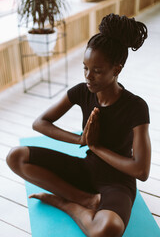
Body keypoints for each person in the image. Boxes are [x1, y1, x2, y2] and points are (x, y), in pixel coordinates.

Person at [6, 13, 151, 237]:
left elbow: (141, 170)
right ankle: (84, 199)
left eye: (97, 71)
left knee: (108, 229)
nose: (88, 76)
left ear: (117, 70)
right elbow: (40, 123)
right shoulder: (82, 92)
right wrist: (80, 140)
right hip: (85, 170)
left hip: (118, 182)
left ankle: (65, 204)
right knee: (15, 156)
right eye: (85, 67)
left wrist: (95, 147)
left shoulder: (136, 106)